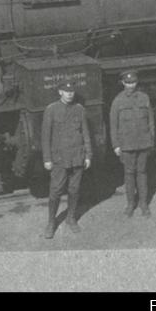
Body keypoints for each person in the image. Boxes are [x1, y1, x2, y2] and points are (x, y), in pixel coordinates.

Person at [41, 81, 92, 239]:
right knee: (55, 191)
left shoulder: (79, 109)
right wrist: (47, 159)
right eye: (66, 91)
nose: (69, 94)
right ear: (60, 92)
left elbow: (85, 133)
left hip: (77, 156)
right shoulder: (51, 109)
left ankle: (70, 218)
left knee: (74, 190)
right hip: (60, 158)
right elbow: (45, 137)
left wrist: (88, 155)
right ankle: (51, 222)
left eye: (72, 91)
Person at [110, 70, 155, 218]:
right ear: (123, 83)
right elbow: (113, 125)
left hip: (143, 143)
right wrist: (116, 145)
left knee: (142, 173)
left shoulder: (144, 98)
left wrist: (151, 140)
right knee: (129, 174)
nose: (131, 85)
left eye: (133, 82)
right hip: (126, 145)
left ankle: (143, 203)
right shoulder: (118, 101)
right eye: (128, 82)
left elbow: (151, 121)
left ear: (137, 82)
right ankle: (130, 204)